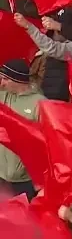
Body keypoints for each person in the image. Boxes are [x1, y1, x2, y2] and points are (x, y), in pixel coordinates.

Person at [14, 9, 72, 101]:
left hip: (62, 101)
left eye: (59, 27)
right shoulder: (46, 43)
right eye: (54, 24)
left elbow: (53, 48)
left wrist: (29, 27)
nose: (55, 29)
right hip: (44, 96)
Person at [0, 59, 46, 200]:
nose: (1, 83)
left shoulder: (40, 103)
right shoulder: (3, 95)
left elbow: (47, 141)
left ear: (17, 80)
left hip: (24, 179)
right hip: (2, 175)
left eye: (5, 79)